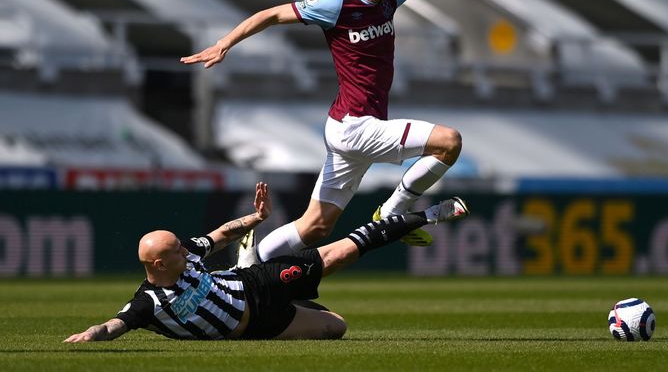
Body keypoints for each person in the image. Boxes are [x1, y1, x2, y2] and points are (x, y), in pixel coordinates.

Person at [181, 0, 507, 259]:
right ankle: (393, 212)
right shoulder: (336, 5)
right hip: (354, 126)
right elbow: (271, 15)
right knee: (449, 141)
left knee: (315, 227)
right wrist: (224, 43)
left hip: (351, 129)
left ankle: (247, 266)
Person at [64, 182, 467, 342]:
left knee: (339, 253)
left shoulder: (185, 256)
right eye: (177, 251)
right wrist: (91, 335)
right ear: (157, 264)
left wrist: (255, 219)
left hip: (258, 285)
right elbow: (114, 325)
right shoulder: (148, 303)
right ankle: (272, 279)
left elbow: (219, 234)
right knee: (336, 329)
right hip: (258, 325)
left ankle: (426, 215)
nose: (186, 251)